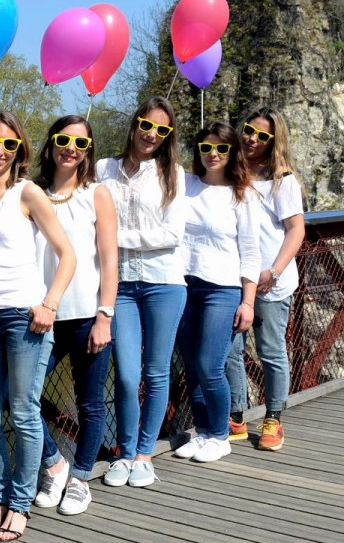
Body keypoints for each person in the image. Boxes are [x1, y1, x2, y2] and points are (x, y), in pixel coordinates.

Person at [0, 111, 76, 542]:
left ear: (20, 150)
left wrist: (50, 303)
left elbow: (67, 254)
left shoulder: (27, 193)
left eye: (9, 144)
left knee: (25, 412)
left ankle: (19, 504)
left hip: (25, 319)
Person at [98, 97, 188, 488]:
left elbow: (171, 234)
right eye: (146, 125)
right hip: (119, 285)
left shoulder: (173, 174)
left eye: (161, 129)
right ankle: (124, 450)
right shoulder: (104, 169)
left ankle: (144, 454)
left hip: (163, 283)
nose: (152, 134)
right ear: (134, 124)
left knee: (156, 371)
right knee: (126, 374)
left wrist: (113, 237)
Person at [32, 116, 118, 516]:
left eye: (80, 144)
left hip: (86, 315)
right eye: (64, 140)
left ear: (88, 151)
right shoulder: (31, 192)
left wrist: (105, 316)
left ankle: (81, 479)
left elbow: (110, 259)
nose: (71, 149)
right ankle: (54, 463)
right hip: (42, 317)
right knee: (18, 396)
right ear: (51, 144)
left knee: (90, 404)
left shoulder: (96, 194)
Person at [174, 124, 260, 464]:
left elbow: (251, 253)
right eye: (206, 147)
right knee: (192, 366)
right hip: (183, 285)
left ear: (232, 152)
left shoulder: (242, 195)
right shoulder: (185, 184)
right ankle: (203, 431)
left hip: (222, 289)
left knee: (210, 365)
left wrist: (248, 302)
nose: (213, 154)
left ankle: (221, 435)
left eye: (221, 149)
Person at [226, 107, 305, 451]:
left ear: (274, 141)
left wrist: (274, 271)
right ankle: (236, 416)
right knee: (231, 349)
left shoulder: (282, 180)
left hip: (271, 280)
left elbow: (296, 230)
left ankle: (273, 417)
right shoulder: (231, 171)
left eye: (262, 136)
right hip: (235, 276)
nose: (252, 139)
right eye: (249, 130)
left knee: (271, 350)